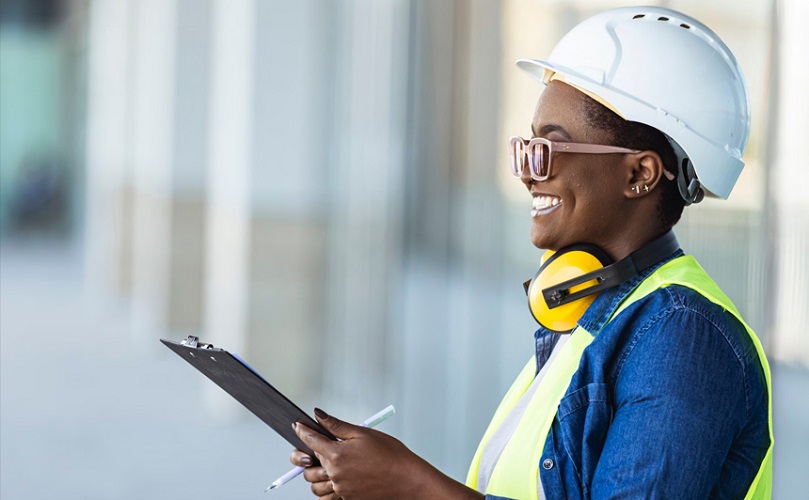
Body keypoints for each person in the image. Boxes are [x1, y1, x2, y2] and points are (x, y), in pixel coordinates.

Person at [291, 6, 773, 499]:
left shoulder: (683, 337)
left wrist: (411, 486)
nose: (527, 173)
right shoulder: (583, 326)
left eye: (549, 149)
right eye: (526, 148)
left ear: (639, 175)